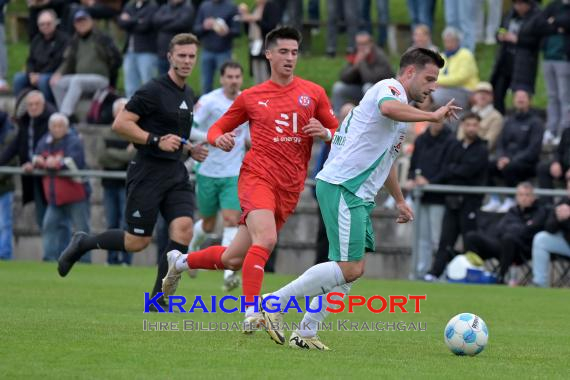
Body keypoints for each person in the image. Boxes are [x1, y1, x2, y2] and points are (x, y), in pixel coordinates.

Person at [261, 47, 459, 350]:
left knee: (351, 272)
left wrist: (401, 200)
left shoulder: (400, 116)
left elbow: (387, 161)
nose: (433, 87)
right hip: (344, 187)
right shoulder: (388, 88)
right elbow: (388, 108)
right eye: (429, 79)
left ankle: (306, 331)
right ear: (409, 73)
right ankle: (273, 303)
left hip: (358, 193)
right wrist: (432, 116)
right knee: (350, 267)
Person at [160, 27, 339, 329]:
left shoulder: (313, 93)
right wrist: (219, 140)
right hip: (257, 177)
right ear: (268, 54)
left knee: (233, 258)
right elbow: (217, 128)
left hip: (290, 186)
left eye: (294, 52)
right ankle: (252, 312)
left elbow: (340, 135)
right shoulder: (252, 97)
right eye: (283, 51)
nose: (289, 58)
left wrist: (326, 133)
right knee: (266, 239)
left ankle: (181, 262)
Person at [57, 34, 209, 311]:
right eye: (182, 56)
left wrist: (190, 149)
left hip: (175, 172)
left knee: (183, 230)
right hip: (147, 172)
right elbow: (121, 123)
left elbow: (174, 136)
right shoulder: (151, 90)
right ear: (170, 57)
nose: (187, 61)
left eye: (191, 56)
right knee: (137, 242)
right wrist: (154, 140)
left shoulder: (188, 93)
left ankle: (158, 300)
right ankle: (84, 243)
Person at [188, 61, 249, 291]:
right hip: (207, 170)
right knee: (209, 223)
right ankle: (193, 247)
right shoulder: (209, 101)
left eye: (237, 77)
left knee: (233, 219)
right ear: (222, 79)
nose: (233, 81)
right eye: (229, 77)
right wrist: (214, 136)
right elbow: (189, 129)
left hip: (233, 172)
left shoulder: (247, 100)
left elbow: (250, 134)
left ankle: (228, 274)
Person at [424, 112, 489, 282]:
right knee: (445, 240)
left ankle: (471, 274)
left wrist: (455, 169)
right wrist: (456, 170)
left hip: (470, 202)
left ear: (479, 127)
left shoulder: (482, 148)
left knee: (470, 241)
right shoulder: (455, 146)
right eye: (468, 124)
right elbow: (446, 168)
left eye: (475, 125)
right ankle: (435, 273)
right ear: (463, 126)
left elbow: (469, 170)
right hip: (452, 201)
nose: (471, 128)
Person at [34, 113, 91, 262]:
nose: (57, 129)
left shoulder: (74, 141)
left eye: (60, 126)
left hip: (75, 195)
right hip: (55, 197)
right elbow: (36, 156)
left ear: (66, 127)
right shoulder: (45, 140)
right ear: (50, 127)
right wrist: (42, 161)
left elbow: (74, 162)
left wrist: (55, 163)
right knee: (49, 227)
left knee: (82, 230)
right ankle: (49, 259)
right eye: (54, 126)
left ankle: (85, 262)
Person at [463, 182, 547, 285]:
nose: (524, 198)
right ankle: (474, 274)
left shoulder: (540, 211)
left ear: (533, 197)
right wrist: (520, 227)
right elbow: (500, 229)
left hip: (522, 250)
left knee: (509, 238)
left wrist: (515, 228)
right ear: (516, 197)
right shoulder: (513, 211)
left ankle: (500, 278)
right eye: (520, 195)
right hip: (503, 245)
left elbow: (528, 231)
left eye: (527, 195)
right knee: (471, 237)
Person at [50, 9, 122, 121]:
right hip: (82, 80)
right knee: (56, 83)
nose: (81, 24)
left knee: (76, 80)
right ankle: (67, 115)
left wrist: (111, 77)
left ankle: (64, 115)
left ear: (91, 21)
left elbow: (116, 59)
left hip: (101, 79)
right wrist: (59, 73)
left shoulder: (101, 38)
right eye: (78, 21)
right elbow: (69, 61)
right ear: (74, 24)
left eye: (84, 20)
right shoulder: (75, 41)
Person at [405, 117, 454, 278]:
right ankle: (420, 272)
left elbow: (448, 169)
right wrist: (414, 179)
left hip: (438, 197)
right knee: (421, 238)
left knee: (438, 239)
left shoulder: (450, 140)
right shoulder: (421, 140)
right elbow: (413, 167)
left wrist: (430, 182)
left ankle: (440, 273)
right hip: (420, 196)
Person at [482, 90, 543, 213]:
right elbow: (500, 143)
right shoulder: (508, 121)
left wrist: (510, 160)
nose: (520, 100)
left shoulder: (536, 122)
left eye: (523, 97)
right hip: (506, 160)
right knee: (485, 165)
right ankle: (495, 199)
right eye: (517, 97)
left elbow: (533, 149)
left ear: (529, 101)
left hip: (527, 163)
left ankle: (511, 199)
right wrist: (501, 157)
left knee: (510, 167)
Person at [98, 98, 134, 266]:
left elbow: (133, 156)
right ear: (113, 113)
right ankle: (111, 260)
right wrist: (124, 155)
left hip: (129, 186)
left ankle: (126, 260)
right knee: (111, 223)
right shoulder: (105, 133)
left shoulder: (136, 132)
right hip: (110, 184)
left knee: (126, 224)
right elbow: (102, 157)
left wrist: (114, 154)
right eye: (119, 111)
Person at [330, 31, 394, 116]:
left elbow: (371, 79)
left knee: (367, 87)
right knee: (338, 87)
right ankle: (336, 118)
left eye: (364, 44)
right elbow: (343, 77)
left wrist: (362, 63)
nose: (361, 47)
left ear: (371, 43)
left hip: (380, 92)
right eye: (359, 44)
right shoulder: (355, 53)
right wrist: (355, 68)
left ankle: (368, 118)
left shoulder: (379, 56)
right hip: (360, 90)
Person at [12, 9, 69, 103]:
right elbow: (30, 60)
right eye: (42, 24)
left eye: (48, 23)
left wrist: (39, 75)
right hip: (36, 74)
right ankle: (20, 110)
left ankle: (47, 108)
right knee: (18, 78)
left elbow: (57, 62)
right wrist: (31, 74)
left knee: (42, 80)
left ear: (55, 23)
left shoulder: (63, 39)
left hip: (53, 74)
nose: (45, 26)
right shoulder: (36, 39)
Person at [193, 0, 240, 94]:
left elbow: (237, 31)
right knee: (206, 83)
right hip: (207, 51)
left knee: (228, 82)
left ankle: (227, 106)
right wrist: (204, 26)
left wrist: (227, 32)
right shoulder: (204, 5)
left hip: (224, 51)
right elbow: (196, 29)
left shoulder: (231, 6)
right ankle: (206, 107)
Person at [532, 177, 570, 287]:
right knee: (541, 239)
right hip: (567, 244)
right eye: (568, 188)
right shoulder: (564, 202)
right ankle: (540, 283)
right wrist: (559, 218)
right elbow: (549, 228)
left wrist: (567, 219)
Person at [117, 0, 159, 98]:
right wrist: (137, 20)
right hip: (129, 52)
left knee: (148, 85)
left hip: (146, 52)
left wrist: (129, 20)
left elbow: (145, 25)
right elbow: (121, 23)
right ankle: (132, 111)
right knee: (130, 86)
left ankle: (150, 111)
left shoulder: (152, 6)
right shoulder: (129, 5)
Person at [432, 26, 479, 112]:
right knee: (424, 92)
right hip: (446, 88)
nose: (448, 44)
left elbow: (461, 78)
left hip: (465, 90)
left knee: (434, 95)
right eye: (446, 41)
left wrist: (438, 81)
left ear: (458, 41)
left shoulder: (465, 54)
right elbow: (435, 73)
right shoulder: (442, 56)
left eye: (451, 41)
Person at [238, 0, 281, 84]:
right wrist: (246, 19)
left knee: (266, 71)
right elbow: (249, 30)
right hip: (254, 43)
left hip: (266, 44)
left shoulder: (271, 6)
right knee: (256, 70)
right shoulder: (256, 7)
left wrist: (256, 20)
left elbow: (271, 27)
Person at [458, 82, 503, 156]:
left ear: (492, 97)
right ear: (474, 96)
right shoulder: (467, 114)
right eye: (479, 92)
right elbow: (460, 137)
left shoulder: (496, 117)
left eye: (486, 93)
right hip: (462, 153)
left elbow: (489, 142)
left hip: (482, 156)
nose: (482, 95)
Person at [153, 0, 195, 74]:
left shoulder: (187, 8)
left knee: (176, 81)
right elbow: (155, 20)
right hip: (163, 52)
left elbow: (182, 24)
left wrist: (163, 26)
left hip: (179, 54)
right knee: (162, 82)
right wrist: (173, 17)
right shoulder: (164, 7)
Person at [0, 110, 16, 260]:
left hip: (4, 185)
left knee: (5, 223)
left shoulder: (10, 134)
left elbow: (12, 159)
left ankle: (5, 255)